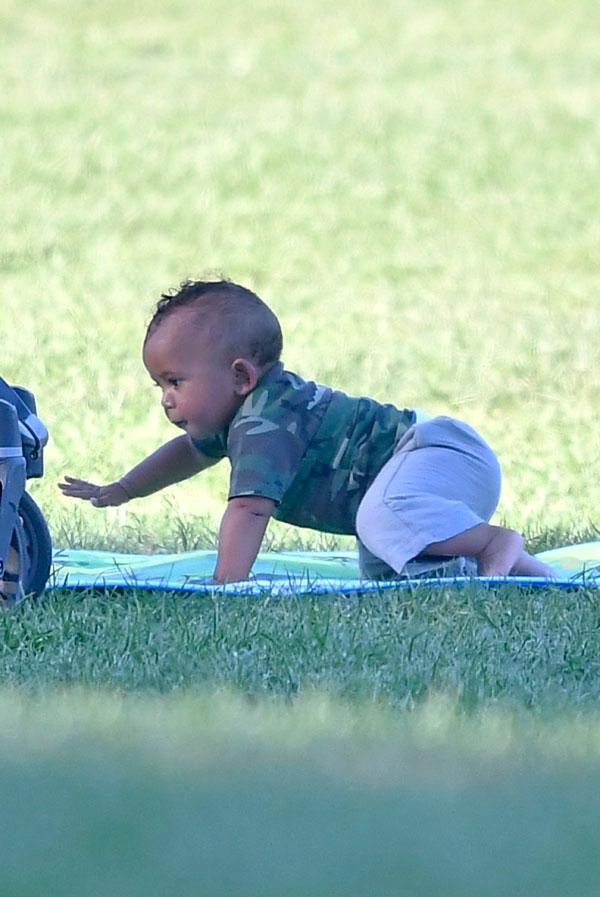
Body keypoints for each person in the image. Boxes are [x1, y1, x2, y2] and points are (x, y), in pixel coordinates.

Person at [59, 279, 555, 583]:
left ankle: (493, 543)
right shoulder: (238, 413)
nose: (166, 397)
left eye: (174, 381)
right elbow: (187, 454)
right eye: (159, 385)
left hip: (438, 452)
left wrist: (226, 583)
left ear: (239, 377)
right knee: (391, 569)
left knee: (382, 521)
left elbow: (250, 507)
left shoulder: (265, 421)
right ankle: (529, 573)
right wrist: (122, 489)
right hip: (429, 469)